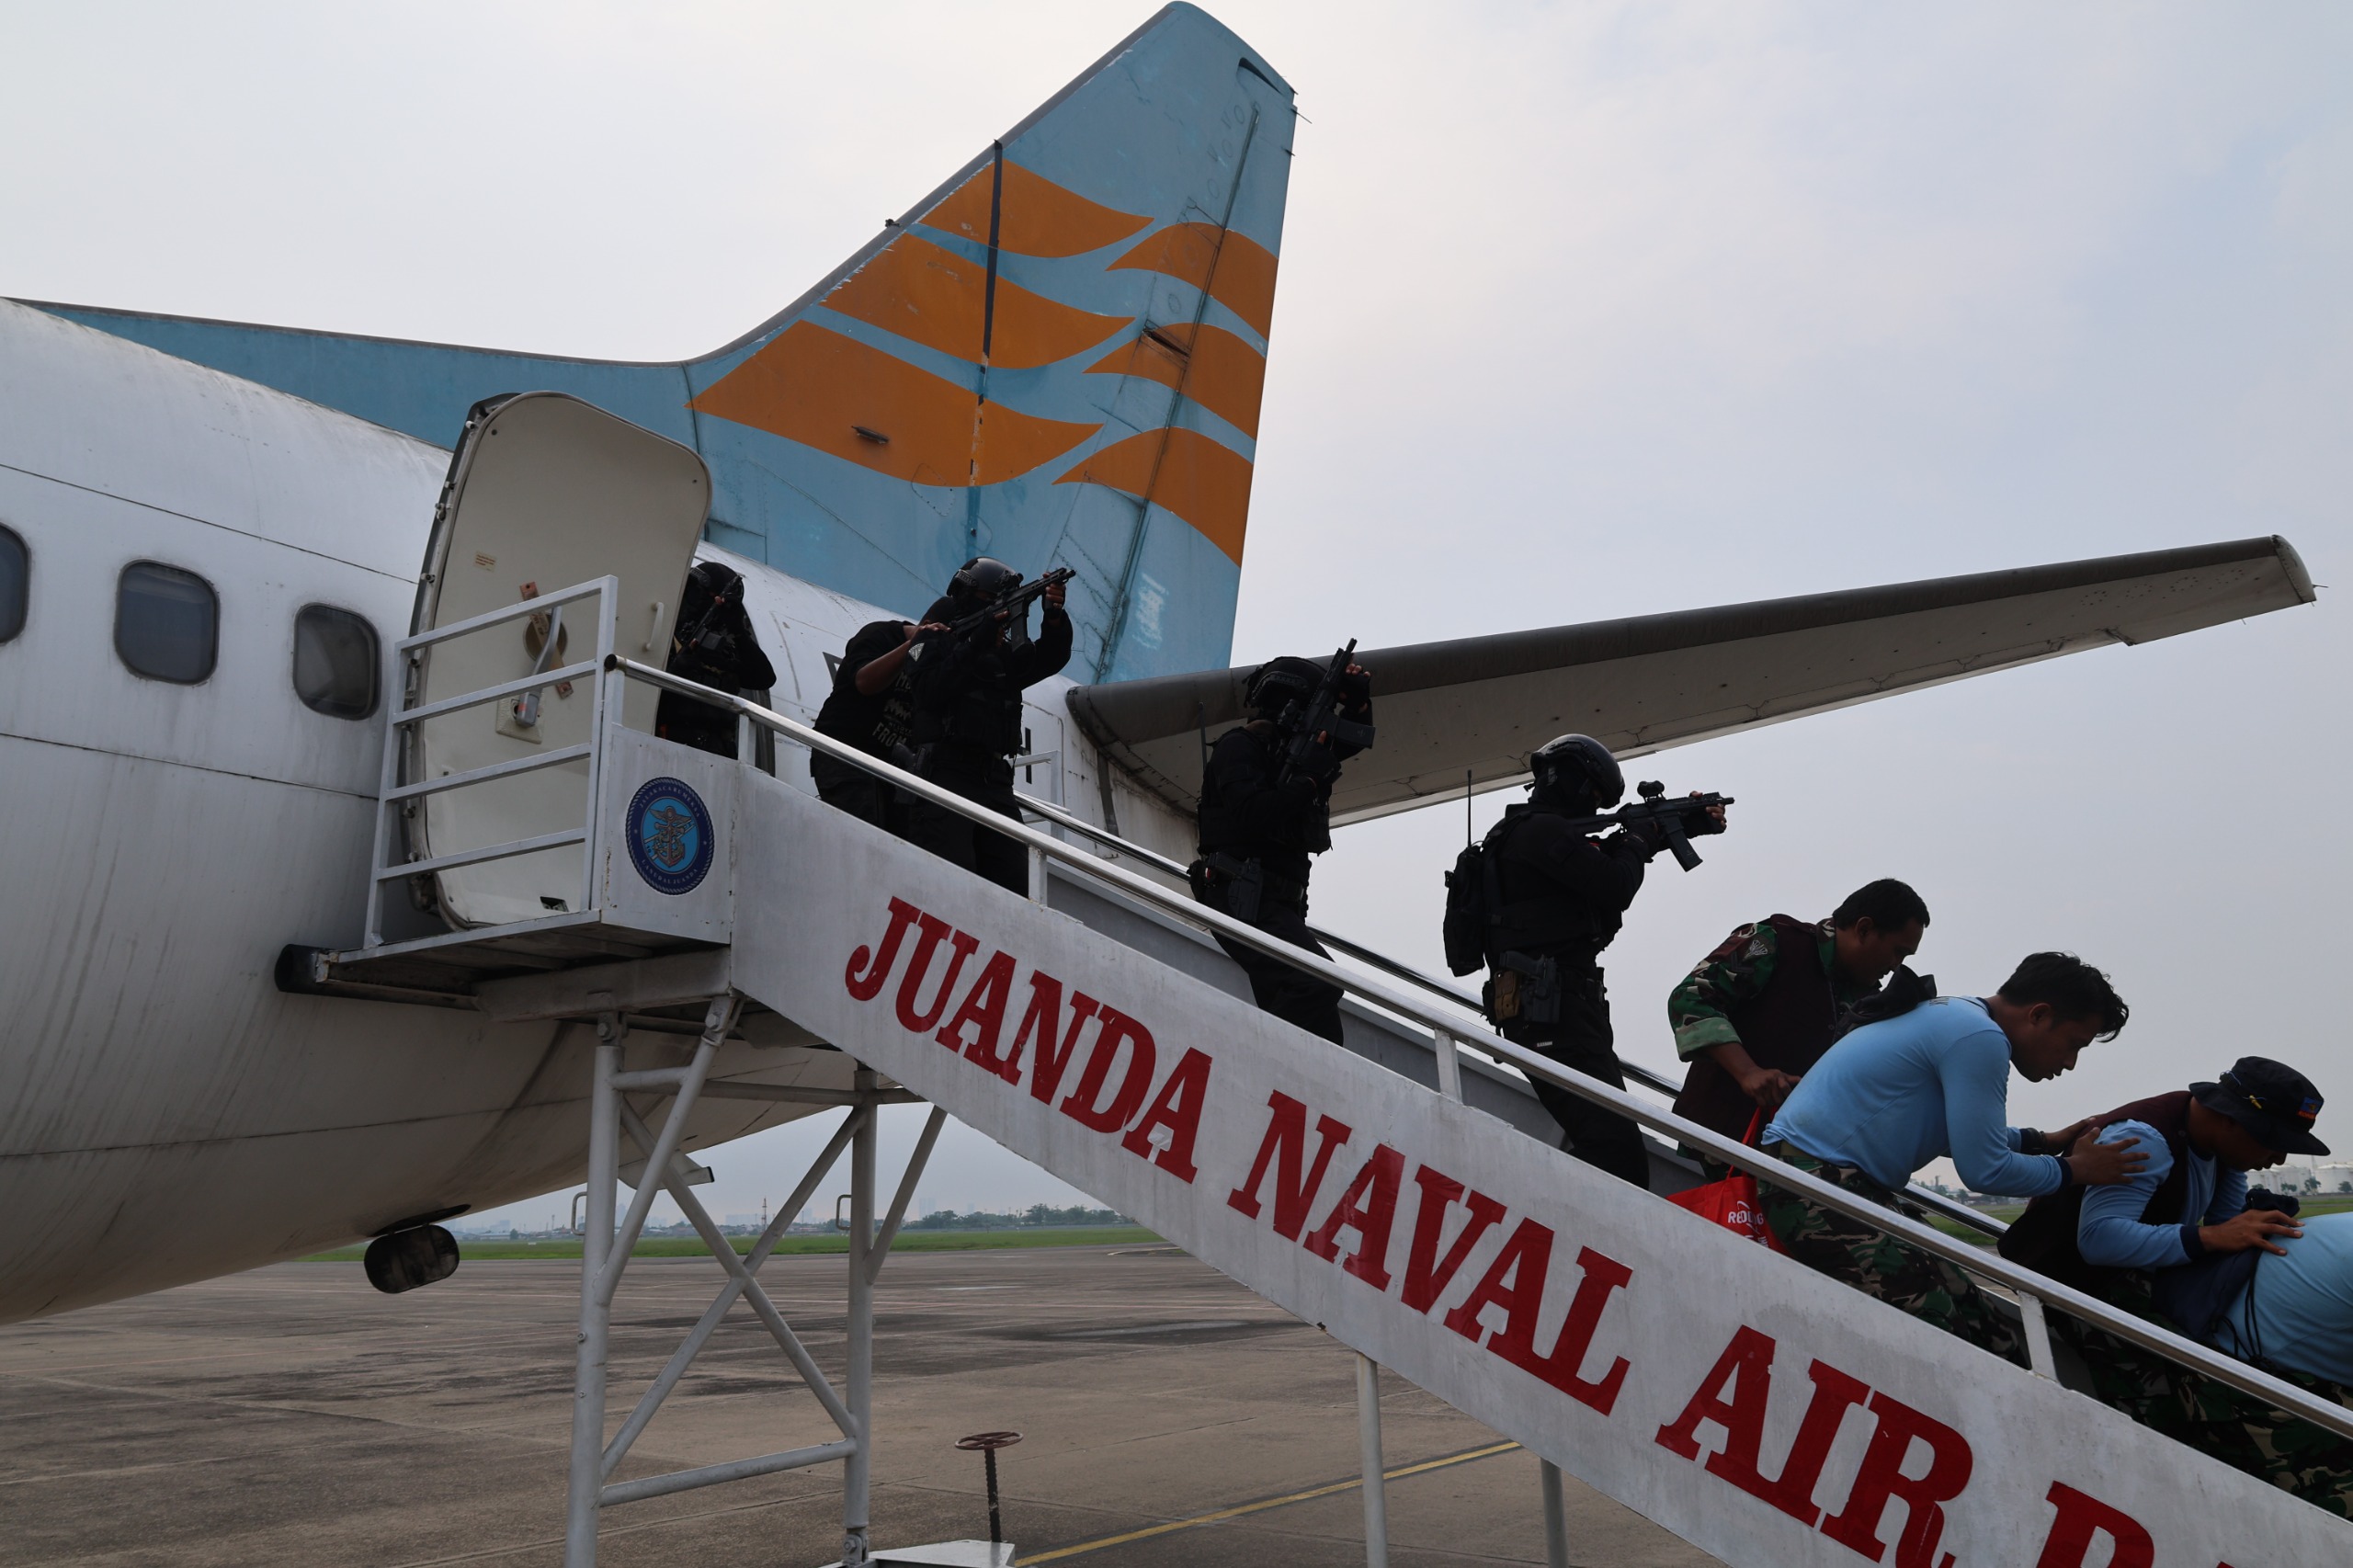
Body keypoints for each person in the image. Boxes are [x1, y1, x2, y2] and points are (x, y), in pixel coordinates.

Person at [1757, 951, 2143, 1361]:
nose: (2070, 1063)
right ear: (2039, 1014)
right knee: (1943, 1338)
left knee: (1990, 1335)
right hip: (1812, 1181)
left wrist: (2042, 1142)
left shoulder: (1959, 1017)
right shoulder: (1980, 1037)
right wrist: (2076, 1170)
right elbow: (1986, 1170)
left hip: (1837, 1182)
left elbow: (1950, 1135)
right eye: (2074, 1044)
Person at [1474, 734, 1725, 1187]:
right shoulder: (1541, 832)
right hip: (1553, 1013)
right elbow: (1613, 883)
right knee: (1614, 1152)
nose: (1592, 805)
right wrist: (1639, 837)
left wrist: (1681, 825)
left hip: (1558, 1010)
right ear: (1569, 780)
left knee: (1611, 1145)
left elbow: (1600, 862)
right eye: (1592, 794)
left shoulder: (1532, 834)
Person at [2000, 1057, 2322, 1302]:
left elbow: (2228, 1224)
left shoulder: (2225, 1152)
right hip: (2070, 1291)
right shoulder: (2143, 1141)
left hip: (2142, 1282)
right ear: (2231, 1120)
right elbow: (2099, 1240)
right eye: (2274, 1142)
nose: (2280, 1159)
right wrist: (2211, 1237)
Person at [1190, 653, 1374, 1043]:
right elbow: (1252, 813)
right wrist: (1308, 781)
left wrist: (1358, 703)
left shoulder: (1292, 750)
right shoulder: (1239, 747)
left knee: (1318, 1028)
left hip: (1275, 902)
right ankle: (1267, 1062)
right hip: (1241, 893)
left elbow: (1353, 739)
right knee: (1317, 981)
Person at [1667, 879, 1931, 1146]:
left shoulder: (1869, 1001)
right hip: (1718, 1141)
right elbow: (1691, 997)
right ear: (1864, 929)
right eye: (1898, 952)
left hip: (1793, 1154)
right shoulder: (1776, 942)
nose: (1896, 966)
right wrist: (1748, 1072)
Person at [889, 558, 1071, 897]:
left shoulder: (1001, 654)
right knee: (949, 885)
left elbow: (1047, 659)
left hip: (994, 782)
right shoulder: (931, 641)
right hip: (944, 775)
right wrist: (976, 644)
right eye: (988, 600)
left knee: (1017, 887)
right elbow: (930, 692)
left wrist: (1054, 617)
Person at [810, 616, 943, 828]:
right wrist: (915, 643)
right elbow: (865, 682)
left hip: (890, 766)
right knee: (864, 825)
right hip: (845, 754)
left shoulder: (938, 661)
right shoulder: (881, 636)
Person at [655, 561, 776, 758]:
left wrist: (738, 630)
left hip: (716, 754)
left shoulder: (727, 647)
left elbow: (764, 678)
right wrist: (677, 670)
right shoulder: (663, 635)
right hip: (667, 746)